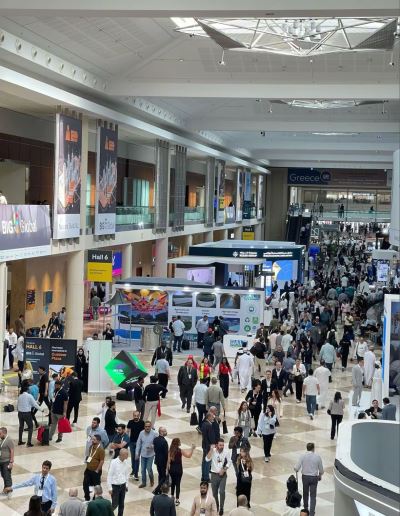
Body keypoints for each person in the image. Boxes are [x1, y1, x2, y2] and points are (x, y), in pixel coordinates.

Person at [294, 443, 324, 516]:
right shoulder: (317, 457)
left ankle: (306, 509)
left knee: (305, 493)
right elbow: (321, 470)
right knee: (313, 496)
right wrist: (320, 475)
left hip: (305, 477)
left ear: (307, 448)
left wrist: (296, 469)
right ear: (313, 448)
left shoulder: (302, 456)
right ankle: (312, 512)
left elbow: (296, 468)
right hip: (314, 478)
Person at [206, 439, 231, 515]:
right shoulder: (213, 451)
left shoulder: (226, 452)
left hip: (223, 475)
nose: (222, 446)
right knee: (214, 493)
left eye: (223, 445)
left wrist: (224, 469)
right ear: (217, 445)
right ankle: (217, 505)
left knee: (222, 491)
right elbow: (207, 459)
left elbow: (229, 461)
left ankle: (221, 507)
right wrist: (211, 449)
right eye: (220, 445)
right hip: (214, 474)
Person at [168, 437, 196, 506]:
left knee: (173, 483)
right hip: (179, 469)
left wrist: (167, 470)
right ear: (178, 443)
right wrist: (192, 449)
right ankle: (177, 500)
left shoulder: (170, 451)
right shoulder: (180, 451)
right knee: (178, 484)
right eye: (179, 442)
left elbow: (168, 462)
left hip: (172, 470)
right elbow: (188, 456)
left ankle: (172, 496)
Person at [107, 447, 130, 516]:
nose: (128, 456)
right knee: (114, 504)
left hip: (123, 486)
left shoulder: (126, 462)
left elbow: (127, 474)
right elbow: (109, 475)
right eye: (126, 454)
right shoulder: (114, 462)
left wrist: (126, 485)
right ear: (122, 455)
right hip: (115, 487)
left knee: (121, 504)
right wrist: (110, 488)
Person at [83, 434, 105, 501]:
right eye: (92, 439)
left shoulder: (101, 450)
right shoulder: (91, 447)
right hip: (88, 469)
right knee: (85, 484)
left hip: (96, 471)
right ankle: (87, 497)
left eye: (94, 439)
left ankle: (95, 498)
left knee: (96, 485)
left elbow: (102, 461)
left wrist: (97, 470)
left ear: (98, 441)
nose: (92, 440)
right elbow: (90, 455)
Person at [136, 420, 157, 488]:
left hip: (151, 454)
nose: (147, 428)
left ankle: (151, 479)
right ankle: (143, 482)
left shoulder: (154, 433)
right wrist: (137, 453)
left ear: (151, 427)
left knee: (149, 468)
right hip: (143, 454)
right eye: (146, 426)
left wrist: (152, 446)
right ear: (144, 427)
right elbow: (138, 443)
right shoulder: (141, 433)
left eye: (148, 426)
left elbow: (157, 443)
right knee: (142, 470)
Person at [127, 411, 144, 480]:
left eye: (137, 415)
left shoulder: (142, 422)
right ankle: (133, 470)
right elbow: (128, 431)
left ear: (139, 416)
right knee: (132, 457)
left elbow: (143, 433)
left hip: (138, 443)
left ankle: (136, 473)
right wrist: (127, 440)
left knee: (137, 458)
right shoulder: (130, 422)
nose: (136, 417)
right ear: (133, 415)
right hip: (131, 442)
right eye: (135, 415)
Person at [201, 412, 217, 482]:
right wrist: (213, 445)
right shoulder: (209, 425)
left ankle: (203, 476)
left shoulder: (204, 424)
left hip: (204, 445)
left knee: (204, 461)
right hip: (209, 446)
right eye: (212, 417)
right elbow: (211, 437)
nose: (213, 418)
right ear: (209, 417)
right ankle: (206, 478)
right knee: (208, 462)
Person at [153, 426, 169, 496]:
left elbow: (155, 449)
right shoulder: (164, 442)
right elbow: (166, 453)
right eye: (165, 431)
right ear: (161, 432)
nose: (166, 432)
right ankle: (157, 489)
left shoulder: (155, 439)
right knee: (164, 476)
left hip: (157, 460)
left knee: (160, 475)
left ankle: (159, 490)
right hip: (163, 461)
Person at [0, 427, 14, 496]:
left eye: (0, 433)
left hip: (6, 461)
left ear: (4, 433)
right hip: (1, 461)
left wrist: (11, 462)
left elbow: (12, 451)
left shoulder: (9, 440)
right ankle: (6, 489)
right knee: (3, 475)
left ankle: (9, 491)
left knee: (7, 475)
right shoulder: (2, 440)